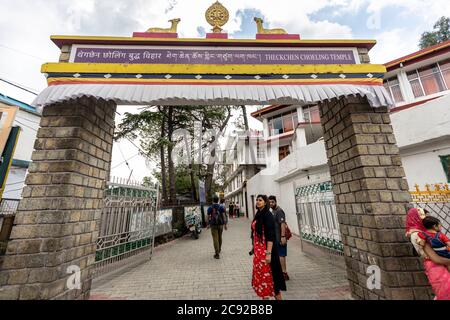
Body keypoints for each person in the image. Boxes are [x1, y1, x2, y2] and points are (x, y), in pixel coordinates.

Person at [405, 208, 450, 300]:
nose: (425, 218)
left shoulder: (425, 233)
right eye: (422, 215)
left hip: (439, 263)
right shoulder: (418, 234)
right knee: (445, 292)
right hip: (436, 264)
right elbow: (434, 258)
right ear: (415, 218)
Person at [250, 194, 286, 300]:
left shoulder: (268, 215)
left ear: (265, 202)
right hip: (258, 252)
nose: (257, 201)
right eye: (257, 200)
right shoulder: (259, 214)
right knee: (262, 280)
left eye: (260, 200)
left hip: (266, 251)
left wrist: (268, 254)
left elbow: (270, 236)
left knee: (272, 280)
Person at [268, 195, 289, 280]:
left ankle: (284, 274)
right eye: (269, 202)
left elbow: (283, 224)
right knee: (278, 255)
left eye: (272, 202)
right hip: (275, 238)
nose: (271, 203)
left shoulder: (279, 211)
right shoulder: (273, 211)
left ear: (275, 202)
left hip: (280, 238)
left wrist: (283, 236)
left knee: (281, 255)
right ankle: (280, 272)